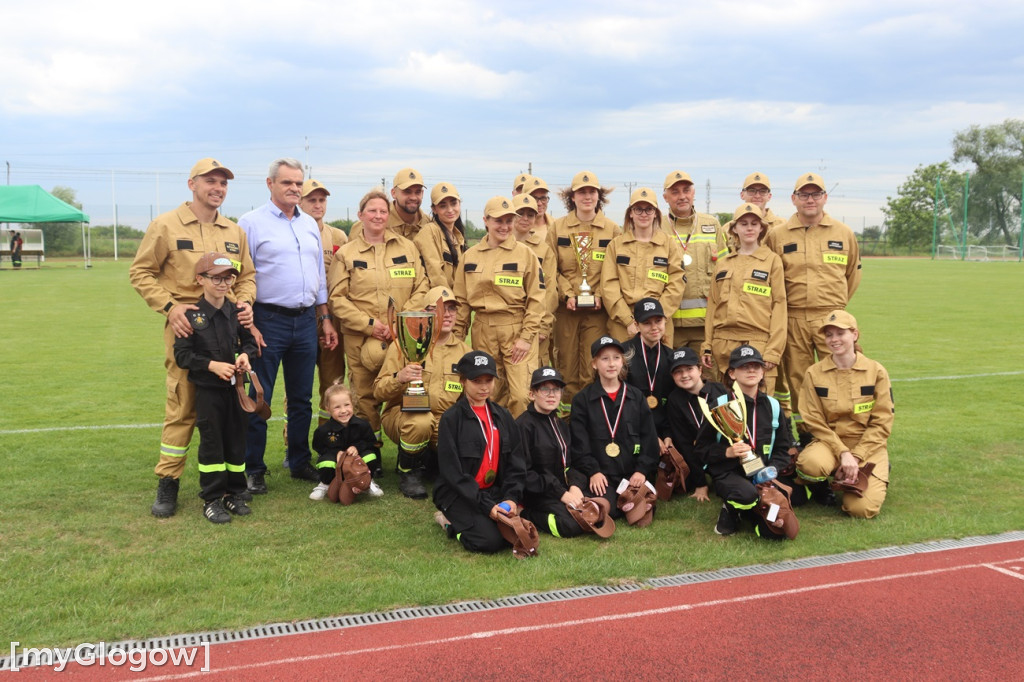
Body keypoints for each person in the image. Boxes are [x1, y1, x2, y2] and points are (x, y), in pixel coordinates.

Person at [129, 157, 257, 518]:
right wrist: (170, 307)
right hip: (187, 330)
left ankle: (231, 487)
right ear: (192, 184)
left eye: (223, 183)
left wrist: (245, 302)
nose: (217, 188)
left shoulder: (234, 231)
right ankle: (168, 484)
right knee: (183, 407)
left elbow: (247, 276)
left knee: (230, 413)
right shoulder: (165, 225)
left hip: (228, 331)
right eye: (210, 181)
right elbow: (141, 272)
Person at [240, 158, 338, 494]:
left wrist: (324, 317)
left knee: (301, 399)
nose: (295, 189)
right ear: (270, 184)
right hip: (267, 319)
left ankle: (298, 461)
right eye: (287, 183)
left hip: (306, 320)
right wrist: (248, 323)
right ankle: (253, 467)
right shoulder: (250, 223)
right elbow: (243, 275)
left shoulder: (310, 224)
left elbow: (319, 277)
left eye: (299, 183)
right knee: (259, 396)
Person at [329, 188, 430, 476]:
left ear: (389, 215)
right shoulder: (347, 254)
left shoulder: (407, 248)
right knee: (365, 399)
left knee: (403, 389)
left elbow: (421, 287)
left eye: (383, 211)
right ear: (360, 215)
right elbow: (338, 299)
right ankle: (370, 457)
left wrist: (400, 323)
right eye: (372, 211)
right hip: (362, 338)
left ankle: (409, 451)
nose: (378, 215)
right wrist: (373, 326)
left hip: (402, 338)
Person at [764, 173, 861, 439]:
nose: (810, 199)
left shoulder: (844, 233)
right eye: (804, 194)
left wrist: (834, 308)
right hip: (793, 318)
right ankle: (808, 436)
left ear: (825, 198)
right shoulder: (777, 235)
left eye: (816, 194)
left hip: (832, 320)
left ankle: (844, 434)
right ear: (794, 199)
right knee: (799, 380)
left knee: (842, 374)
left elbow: (852, 275)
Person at [172, 253, 258, 523]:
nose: (224, 283)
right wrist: (212, 366)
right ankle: (212, 499)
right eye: (216, 278)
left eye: (229, 277)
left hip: (236, 390)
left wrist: (245, 355)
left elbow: (249, 342)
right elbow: (182, 356)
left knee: (236, 439)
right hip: (209, 391)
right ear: (201, 279)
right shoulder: (192, 315)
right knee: (212, 443)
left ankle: (234, 492)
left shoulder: (237, 311)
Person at [373, 286, 471, 499]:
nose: (447, 315)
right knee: (421, 421)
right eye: (440, 309)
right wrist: (400, 377)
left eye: (452, 309)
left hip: (444, 421)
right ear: (426, 313)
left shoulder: (465, 353)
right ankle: (408, 472)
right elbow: (378, 392)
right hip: (404, 417)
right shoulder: (404, 344)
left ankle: (430, 460)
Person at [454, 196, 545, 417]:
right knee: (489, 394)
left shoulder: (526, 255)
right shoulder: (470, 257)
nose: (504, 227)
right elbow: (462, 302)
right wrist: (455, 340)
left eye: (508, 221)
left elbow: (537, 298)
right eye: (498, 221)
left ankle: (521, 448)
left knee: (521, 395)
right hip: (483, 329)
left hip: (516, 329)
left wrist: (526, 337)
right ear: (486, 220)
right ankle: (494, 445)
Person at [796, 310, 892, 519]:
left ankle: (869, 473)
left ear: (854, 334)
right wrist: (842, 453)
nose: (834, 339)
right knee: (810, 465)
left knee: (861, 510)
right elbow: (813, 420)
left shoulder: (876, 372)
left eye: (840, 333)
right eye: (829, 335)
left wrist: (856, 456)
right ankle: (824, 483)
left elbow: (882, 422)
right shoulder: (814, 372)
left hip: (867, 446)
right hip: (830, 443)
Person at [433, 351, 529, 554]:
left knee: (514, 536)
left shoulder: (503, 415)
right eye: (477, 381)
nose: (484, 387)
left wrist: (511, 498)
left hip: (492, 490)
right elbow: (453, 474)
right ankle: (449, 522)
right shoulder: (451, 419)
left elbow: (516, 462)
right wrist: (486, 506)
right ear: (463, 381)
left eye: (489, 380)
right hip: (459, 493)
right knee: (489, 542)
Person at [695, 345, 795, 537]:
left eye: (756, 366)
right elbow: (701, 449)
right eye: (744, 367)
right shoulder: (720, 405)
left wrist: (770, 471)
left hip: (763, 474)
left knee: (775, 532)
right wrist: (727, 453)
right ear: (732, 373)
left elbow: (783, 448)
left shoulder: (773, 406)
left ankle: (753, 513)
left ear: (763, 371)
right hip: (729, 473)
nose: (751, 370)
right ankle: (730, 510)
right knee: (746, 495)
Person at [548, 171, 622, 413]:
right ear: (572, 196)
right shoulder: (557, 228)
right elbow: (551, 270)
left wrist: (600, 294)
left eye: (592, 192)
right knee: (566, 366)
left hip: (598, 312)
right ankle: (568, 422)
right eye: (582, 191)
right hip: (566, 310)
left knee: (594, 366)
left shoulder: (612, 230)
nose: (587, 196)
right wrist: (568, 294)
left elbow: (615, 270)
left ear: (599, 196)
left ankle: (595, 419)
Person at [571, 336, 659, 520]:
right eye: (604, 359)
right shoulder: (582, 400)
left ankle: (636, 500)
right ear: (594, 364)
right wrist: (593, 471)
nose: (611, 364)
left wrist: (641, 470)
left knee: (639, 509)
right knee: (610, 511)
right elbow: (580, 443)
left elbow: (649, 438)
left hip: (631, 473)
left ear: (623, 361)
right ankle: (614, 502)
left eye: (616, 358)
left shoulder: (636, 397)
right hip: (602, 475)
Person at [702, 203, 787, 391]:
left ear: (761, 229)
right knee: (726, 410)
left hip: (758, 345)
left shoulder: (772, 261)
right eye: (744, 223)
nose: (749, 228)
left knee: (759, 410)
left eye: (754, 224)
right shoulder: (723, 264)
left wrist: (773, 351)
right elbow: (713, 308)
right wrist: (707, 345)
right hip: (723, 347)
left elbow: (780, 306)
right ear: (734, 229)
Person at [601, 187, 685, 346]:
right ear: (630, 213)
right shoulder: (616, 245)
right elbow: (608, 286)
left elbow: (676, 284)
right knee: (623, 369)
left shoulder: (669, 245)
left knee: (659, 370)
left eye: (649, 209)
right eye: (638, 209)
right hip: (624, 324)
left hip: (659, 324)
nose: (644, 214)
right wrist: (628, 321)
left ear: (656, 213)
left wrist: (656, 320)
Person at [517, 367, 591, 538]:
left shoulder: (560, 423)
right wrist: (562, 494)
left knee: (595, 511)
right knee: (572, 525)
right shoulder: (523, 426)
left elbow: (571, 464)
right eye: (544, 389)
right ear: (532, 394)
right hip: (536, 493)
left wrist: (575, 486)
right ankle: (524, 514)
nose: (552, 395)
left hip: (561, 488)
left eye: (556, 389)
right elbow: (525, 474)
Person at [662, 170, 728, 355]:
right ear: (665, 197)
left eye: (686, 190)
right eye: (675, 192)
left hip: (705, 326)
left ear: (694, 193)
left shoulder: (712, 224)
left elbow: (725, 273)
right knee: (670, 380)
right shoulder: (656, 226)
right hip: (668, 325)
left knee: (706, 379)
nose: (682, 196)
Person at [300, 179, 349, 424]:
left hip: (332, 320)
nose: (318, 205)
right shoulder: (293, 232)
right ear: (299, 201)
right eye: (312, 200)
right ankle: (291, 445)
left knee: (333, 383)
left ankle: (330, 439)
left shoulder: (338, 236)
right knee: (298, 385)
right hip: (302, 318)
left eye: (322, 200)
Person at [309, 383, 383, 501]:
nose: (343, 411)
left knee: (370, 456)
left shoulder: (362, 425)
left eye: (347, 405)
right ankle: (325, 483)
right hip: (336, 461)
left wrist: (357, 448)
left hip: (356, 461)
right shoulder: (323, 430)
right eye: (337, 407)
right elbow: (318, 447)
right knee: (325, 462)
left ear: (352, 405)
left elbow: (370, 442)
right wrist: (335, 453)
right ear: (328, 410)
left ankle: (367, 481)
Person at [664, 346, 718, 502]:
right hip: (696, 454)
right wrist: (700, 483)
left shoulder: (720, 392)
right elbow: (684, 443)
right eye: (678, 372)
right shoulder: (675, 400)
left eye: (689, 369)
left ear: (700, 369)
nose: (684, 375)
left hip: (723, 454)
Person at [512, 193, 557, 369]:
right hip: (507, 325)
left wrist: (544, 327)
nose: (525, 218)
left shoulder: (544, 250)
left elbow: (550, 292)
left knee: (534, 376)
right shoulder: (498, 246)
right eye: (520, 213)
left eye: (530, 214)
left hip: (536, 328)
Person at [350, 168, 431, 241]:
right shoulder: (371, 223)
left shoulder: (430, 224)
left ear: (422, 193)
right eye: (407, 192)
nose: (413, 197)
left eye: (418, 192)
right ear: (393, 193)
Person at [414, 182, 466, 290]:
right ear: (434, 209)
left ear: (459, 204)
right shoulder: (429, 232)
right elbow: (435, 274)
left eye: (453, 203)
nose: (450, 210)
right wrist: (450, 301)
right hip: (440, 300)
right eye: (443, 206)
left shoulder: (458, 237)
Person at [523, 175, 555, 244]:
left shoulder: (557, 227)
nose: (539, 203)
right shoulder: (513, 229)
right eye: (534, 199)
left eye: (543, 198)